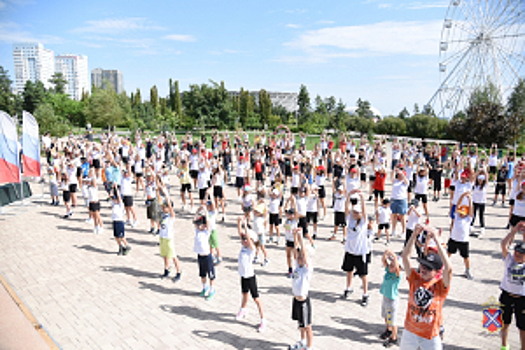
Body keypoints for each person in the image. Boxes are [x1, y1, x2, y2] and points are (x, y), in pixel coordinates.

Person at [401, 224, 452, 350]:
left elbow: (449, 269)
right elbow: (405, 257)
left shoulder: (440, 286)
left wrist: (437, 239)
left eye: (428, 268)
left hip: (430, 336)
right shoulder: (415, 279)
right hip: (410, 332)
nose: (423, 269)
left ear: (436, 271)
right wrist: (413, 235)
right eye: (423, 265)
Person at [235, 217, 266, 333]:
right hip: (243, 276)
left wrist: (245, 224)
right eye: (242, 239)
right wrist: (239, 223)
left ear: (251, 240)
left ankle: (263, 320)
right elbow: (240, 233)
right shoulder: (244, 247)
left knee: (256, 299)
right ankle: (243, 309)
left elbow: (247, 236)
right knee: (244, 294)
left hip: (250, 277)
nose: (243, 240)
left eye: (245, 239)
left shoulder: (251, 250)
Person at [499, 221, 525, 350]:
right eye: (516, 253)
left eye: (520, 255)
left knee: (523, 327)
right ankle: (504, 345)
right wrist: (514, 231)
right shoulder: (509, 259)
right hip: (507, 296)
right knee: (505, 322)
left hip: (522, 299)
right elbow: (503, 244)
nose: (517, 256)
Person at [341, 190, 370, 306]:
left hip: (360, 252)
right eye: (354, 212)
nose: (355, 214)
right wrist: (348, 195)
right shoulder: (350, 219)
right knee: (349, 271)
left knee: (363, 274)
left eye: (357, 212)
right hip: (350, 250)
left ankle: (365, 294)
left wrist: (362, 198)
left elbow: (364, 210)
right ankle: (349, 288)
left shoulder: (363, 222)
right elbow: (346, 208)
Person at [289, 228, 314, 350]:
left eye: (301, 257)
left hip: (303, 301)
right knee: (300, 324)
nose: (299, 258)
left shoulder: (306, 269)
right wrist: (295, 236)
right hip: (296, 300)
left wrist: (300, 236)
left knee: (307, 326)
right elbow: (296, 249)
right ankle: (302, 342)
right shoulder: (297, 267)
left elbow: (303, 251)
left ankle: (309, 347)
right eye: (298, 257)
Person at [156, 177, 182, 282]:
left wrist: (167, 196)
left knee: (173, 255)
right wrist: (158, 189)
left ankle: (179, 271)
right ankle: (166, 269)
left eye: (165, 207)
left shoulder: (171, 216)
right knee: (164, 255)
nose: (163, 208)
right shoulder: (163, 215)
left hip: (169, 238)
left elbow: (170, 207)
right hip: (162, 237)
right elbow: (159, 199)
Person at [448, 192, 474, 280]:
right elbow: (458, 205)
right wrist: (462, 196)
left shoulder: (468, 219)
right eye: (460, 212)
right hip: (453, 239)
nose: (461, 214)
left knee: (466, 257)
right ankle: (441, 266)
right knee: (448, 253)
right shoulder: (457, 216)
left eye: (463, 212)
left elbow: (471, 210)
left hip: (463, 240)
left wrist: (469, 199)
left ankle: (468, 270)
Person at [380, 250, 403, 348]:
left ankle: (394, 337)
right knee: (385, 316)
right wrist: (385, 253)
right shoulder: (388, 271)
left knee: (392, 321)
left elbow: (397, 267)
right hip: (385, 298)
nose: (390, 266)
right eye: (390, 264)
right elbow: (384, 261)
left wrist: (393, 256)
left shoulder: (397, 275)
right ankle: (388, 330)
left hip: (392, 301)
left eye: (393, 266)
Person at [193, 208, 216, 300]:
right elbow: (194, 221)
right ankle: (204, 287)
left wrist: (206, 212)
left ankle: (211, 290)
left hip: (207, 256)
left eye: (200, 225)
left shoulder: (207, 232)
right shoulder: (197, 231)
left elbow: (208, 222)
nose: (199, 226)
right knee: (202, 274)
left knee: (211, 275)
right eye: (198, 225)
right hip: (200, 256)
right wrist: (197, 211)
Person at [111, 185, 131, 255]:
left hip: (120, 222)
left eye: (115, 199)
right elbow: (110, 195)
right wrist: (112, 188)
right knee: (116, 236)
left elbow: (119, 197)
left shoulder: (120, 204)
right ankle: (120, 246)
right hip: (115, 221)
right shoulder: (114, 204)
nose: (114, 200)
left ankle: (127, 245)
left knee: (121, 236)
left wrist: (116, 188)